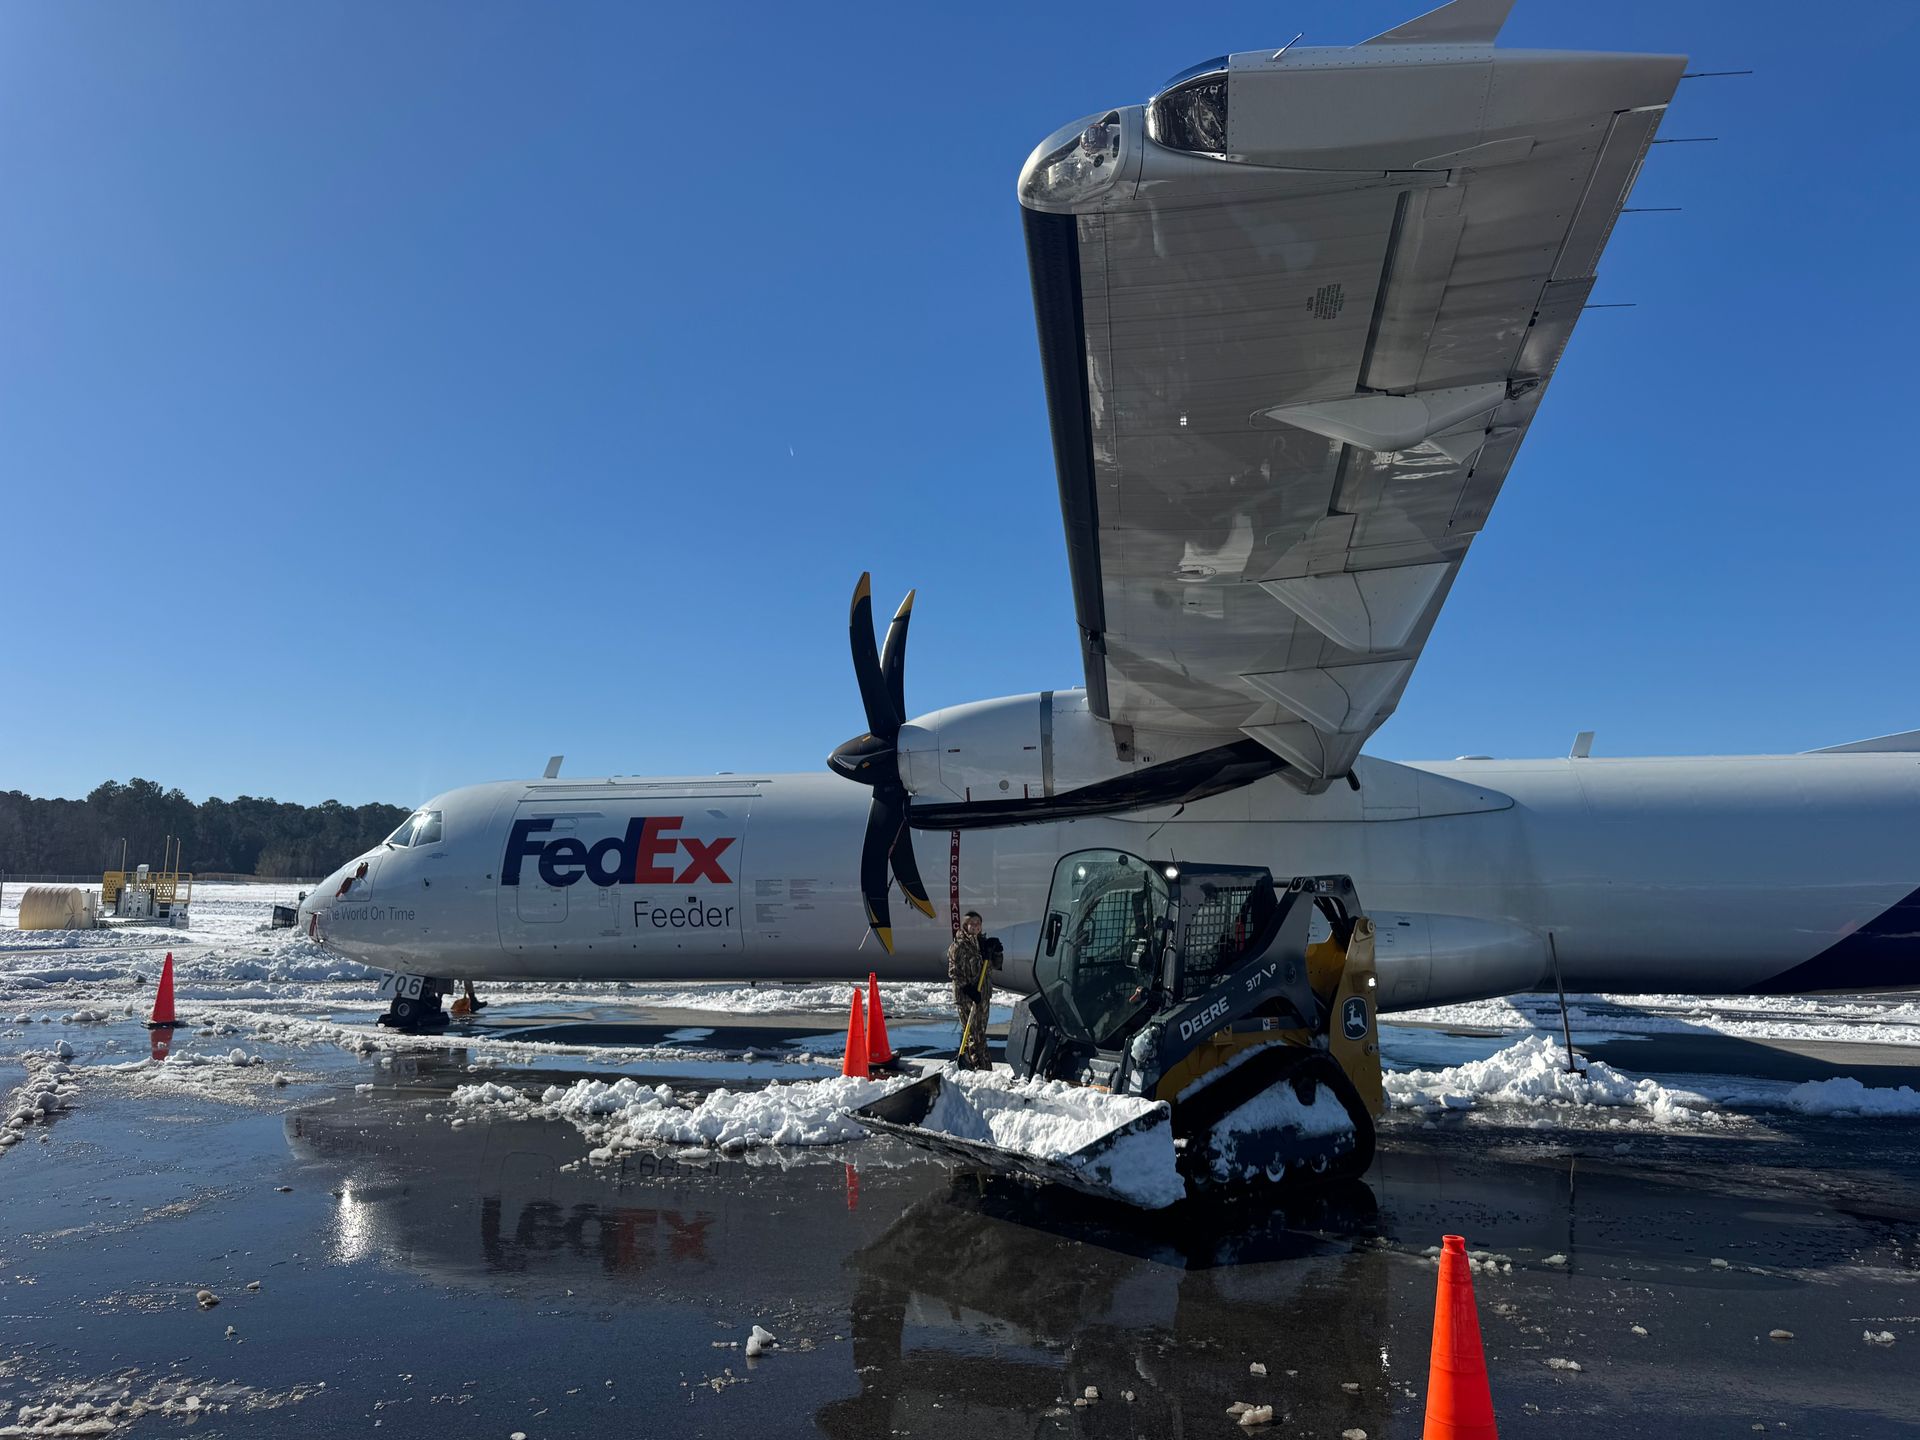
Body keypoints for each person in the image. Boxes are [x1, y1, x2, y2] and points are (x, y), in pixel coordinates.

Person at [947, 911, 1001, 1070]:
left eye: (978, 923)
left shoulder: (983, 943)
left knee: (980, 1033)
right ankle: (980, 1067)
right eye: (972, 923)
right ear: (965, 926)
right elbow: (954, 972)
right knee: (974, 1034)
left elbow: (995, 966)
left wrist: (996, 952)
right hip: (967, 997)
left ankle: (982, 1067)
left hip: (982, 996)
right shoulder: (959, 946)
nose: (976, 926)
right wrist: (969, 990)